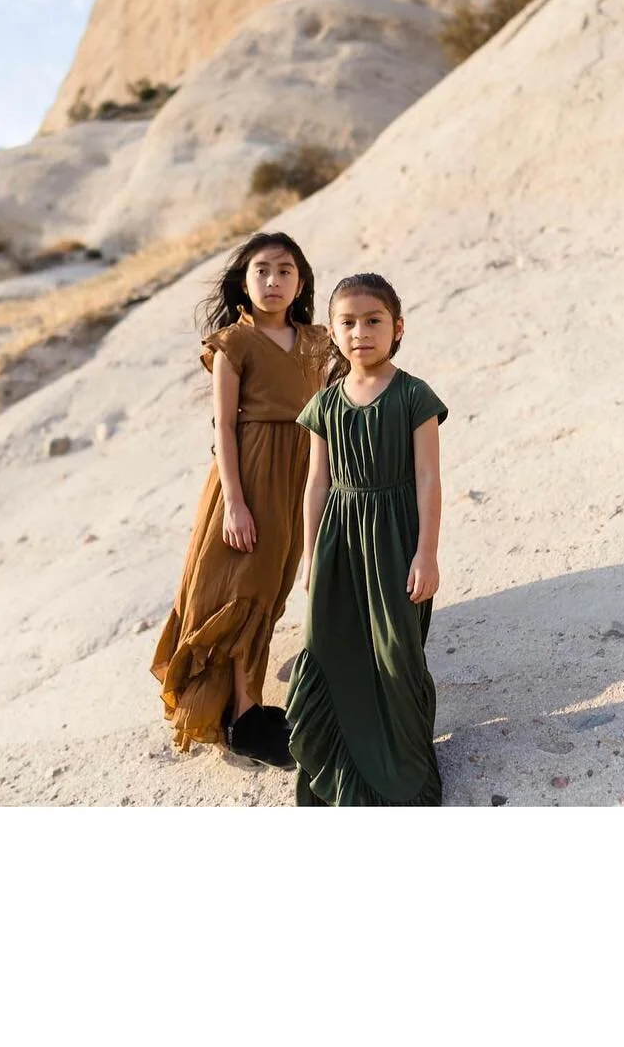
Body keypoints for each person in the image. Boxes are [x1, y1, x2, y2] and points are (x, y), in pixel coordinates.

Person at [150, 232, 330, 767]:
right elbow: (224, 427)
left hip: (299, 470)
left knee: (272, 584)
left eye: (285, 271)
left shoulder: (318, 340)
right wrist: (234, 502)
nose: (273, 281)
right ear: (243, 282)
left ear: (300, 283)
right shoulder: (232, 343)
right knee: (238, 587)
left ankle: (242, 711)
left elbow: (325, 409)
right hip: (248, 472)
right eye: (262, 270)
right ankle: (246, 713)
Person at [285, 272, 447, 806]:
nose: (361, 332)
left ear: (397, 328)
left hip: (397, 540)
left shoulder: (415, 396)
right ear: (332, 332)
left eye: (373, 320)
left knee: (397, 650)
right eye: (347, 322)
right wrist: (310, 557)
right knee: (332, 647)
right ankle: (340, 765)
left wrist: (427, 553)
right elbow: (316, 484)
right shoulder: (325, 404)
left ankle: (401, 767)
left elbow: (428, 478)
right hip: (338, 543)